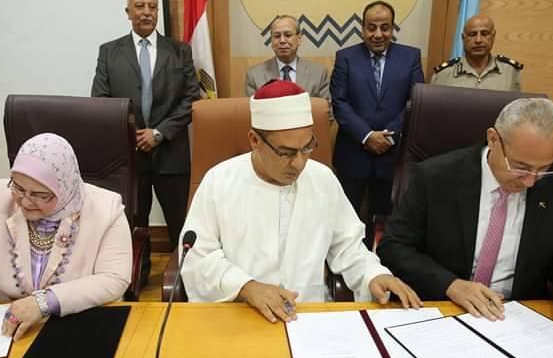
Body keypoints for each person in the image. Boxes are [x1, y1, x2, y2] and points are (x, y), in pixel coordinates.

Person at [378, 98, 553, 350]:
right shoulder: (435, 176)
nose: (530, 182)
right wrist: (451, 285)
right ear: (493, 139)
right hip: (443, 312)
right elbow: (394, 247)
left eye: (545, 168)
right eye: (521, 166)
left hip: (519, 322)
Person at [179, 80, 421, 323]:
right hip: (241, 314)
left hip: (307, 315)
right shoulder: (219, 181)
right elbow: (197, 256)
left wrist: (374, 274)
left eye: (307, 148)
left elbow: (348, 247)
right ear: (255, 140)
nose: (299, 163)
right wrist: (246, 287)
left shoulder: (322, 179)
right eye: (285, 152)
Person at [0, 133, 133, 340]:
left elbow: (114, 278)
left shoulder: (106, 208)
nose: (25, 201)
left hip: (81, 321)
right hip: (4, 327)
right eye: (18, 188)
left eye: (41, 195)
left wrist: (44, 302)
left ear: (64, 188)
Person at [91, 0, 200, 269]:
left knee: (179, 222)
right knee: (133, 224)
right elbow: (101, 101)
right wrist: (134, 136)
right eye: (140, 6)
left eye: (152, 7)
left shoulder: (179, 51)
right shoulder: (109, 52)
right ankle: (138, 273)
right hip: (130, 157)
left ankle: (184, 275)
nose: (147, 12)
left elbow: (192, 99)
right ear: (128, 12)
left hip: (172, 154)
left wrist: (159, 133)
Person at [330, 0, 424, 248]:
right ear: (363, 28)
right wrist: (366, 136)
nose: (378, 34)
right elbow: (339, 102)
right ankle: (349, 264)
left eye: (385, 27)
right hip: (354, 153)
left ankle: (383, 262)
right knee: (348, 220)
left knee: (389, 221)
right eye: (371, 27)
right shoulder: (345, 57)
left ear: (393, 28)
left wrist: (388, 136)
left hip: (393, 156)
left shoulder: (411, 57)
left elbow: (415, 101)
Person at [245, 14, 330, 104]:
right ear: (271, 41)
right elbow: (252, 110)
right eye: (277, 36)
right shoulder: (254, 75)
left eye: (288, 35)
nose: (282, 40)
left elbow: (325, 109)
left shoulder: (318, 73)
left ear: (299, 39)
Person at [431, 15, 522, 92]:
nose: (478, 40)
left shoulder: (510, 72)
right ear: (463, 38)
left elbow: (517, 107)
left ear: (493, 36)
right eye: (472, 34)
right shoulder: (444, 74)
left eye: (484, 34)